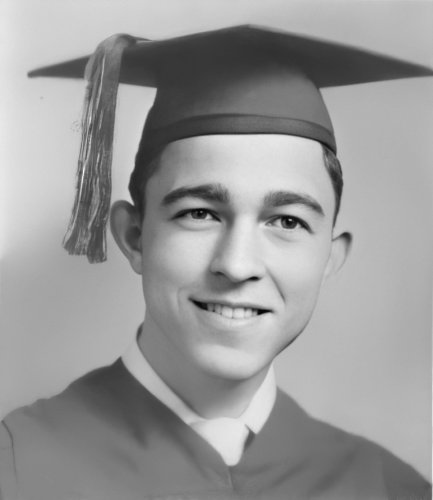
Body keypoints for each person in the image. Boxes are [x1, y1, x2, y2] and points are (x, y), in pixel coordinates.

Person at [0, 25, 431, 500]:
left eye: (287, 221)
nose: (237, 264)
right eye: (200, 214)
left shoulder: (389, 488)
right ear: (134, 237)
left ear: (330, 257)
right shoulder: (18, 468)